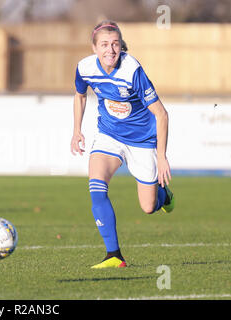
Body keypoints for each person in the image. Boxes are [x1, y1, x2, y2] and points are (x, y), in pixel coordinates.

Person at [70, 20, 175, 269]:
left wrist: (161, 156)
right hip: (109, 134)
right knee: (96, 187)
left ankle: (164, 195)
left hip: (141, 141)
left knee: (148, 207)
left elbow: (161, 114)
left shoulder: (132, 70)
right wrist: (77, 130)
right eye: (104, 44)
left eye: (115, 44)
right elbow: (80, 94)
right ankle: (114, 256)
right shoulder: (84, 67)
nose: (110, 49)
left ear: (121, 46)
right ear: (94, 47)